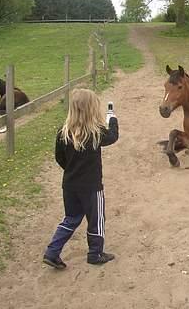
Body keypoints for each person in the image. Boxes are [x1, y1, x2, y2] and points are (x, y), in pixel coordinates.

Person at [43, 89, 119, 269]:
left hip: (69, 185)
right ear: (92, 109)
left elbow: (59, 158)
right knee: (97, 219)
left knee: (71, 218)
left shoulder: (63, 133)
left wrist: (71, 171)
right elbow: (113, 136)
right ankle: (95, 253)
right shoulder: (96, 133)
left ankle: (52, 252)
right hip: (92, 187)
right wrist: (112, 118)